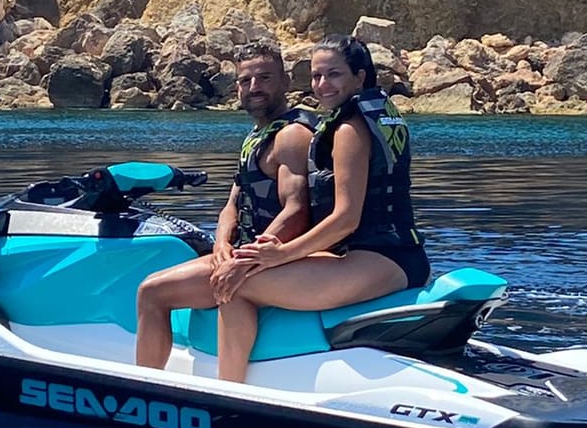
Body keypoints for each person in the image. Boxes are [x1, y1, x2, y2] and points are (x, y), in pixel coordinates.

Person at [214, 36, 429, 383]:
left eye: (333, 75)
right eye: (316, 76)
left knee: (235, 285)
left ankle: (230, 393)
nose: (322, 85)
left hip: (385, 258)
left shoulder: (348, 129)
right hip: (395, 253)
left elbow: (346, 219)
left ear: (360, 78)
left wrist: (280, 255)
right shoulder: (378, 116)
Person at [133, 40, 316, 369]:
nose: (254, 87)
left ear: (286, 82)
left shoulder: (291, 136)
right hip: (246, 250)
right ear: (237, 88)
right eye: (246, 81)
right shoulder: (257, 134)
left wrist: (243, 259)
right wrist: (220, 243)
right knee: (151, 288)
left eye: (264, 78)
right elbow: (233, 202)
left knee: (152, 293)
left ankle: (145, 391)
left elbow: (296, 210)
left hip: (272, 257)